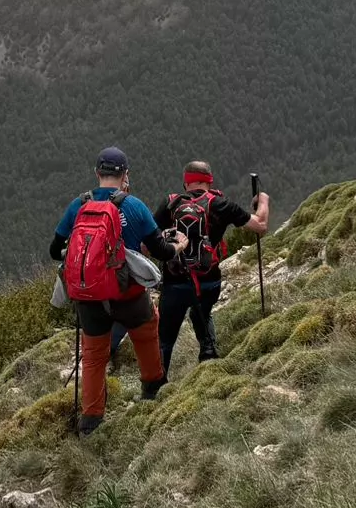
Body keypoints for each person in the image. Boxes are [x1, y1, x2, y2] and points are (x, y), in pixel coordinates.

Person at [50, 146, 172, 435]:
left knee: (93, 355)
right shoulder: (134, 206)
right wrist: (176, 246)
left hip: (88, 298)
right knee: (146, 332)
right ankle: (152, 389)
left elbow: (56, 251)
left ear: (97, 174)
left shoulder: (78, 205)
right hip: (127, 294)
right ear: (125, 175)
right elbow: (160, 250)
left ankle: (91, 420)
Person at [153, 162, 268, 369]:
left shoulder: (170, 204)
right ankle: (208, 354)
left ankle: (155, 387)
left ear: (186, 182)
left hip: (175, 282)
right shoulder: (221, 204)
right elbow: (260, 225)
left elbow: (148, 244)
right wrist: (264, 200)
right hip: (209, 281)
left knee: (165, 338)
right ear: (208, 180)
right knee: (202, 312)